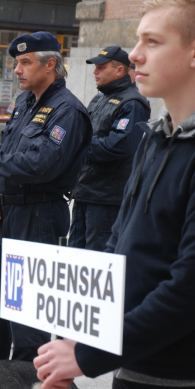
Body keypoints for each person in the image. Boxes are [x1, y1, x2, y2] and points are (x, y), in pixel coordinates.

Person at [34, 0, 195, 389]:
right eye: (137, 41)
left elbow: (194, 287)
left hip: (194, 383)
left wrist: (88, 353)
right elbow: (118, 249)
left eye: (152, 41)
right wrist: (78, 337)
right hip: (133, 371)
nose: (134, 56)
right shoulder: (157, 137)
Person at [0, 31, 91, 362]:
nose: (17, 70)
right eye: (16, 63)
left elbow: (43, 165)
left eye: (25, 63)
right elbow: (8, 150)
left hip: (38, 216)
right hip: (5, 214)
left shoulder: (67, 110)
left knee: (26, 316)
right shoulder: (25, 102)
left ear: (50, 64)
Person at [69, 46, 150, 251]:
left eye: (101, 67)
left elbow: (119, 146)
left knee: (97, 261)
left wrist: (77, 147)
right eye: (95, 68)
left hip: (106, 198)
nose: (95, 72)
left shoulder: (132, 102)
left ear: (119, 71)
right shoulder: (99, 98)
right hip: (84, 193)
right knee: (76, 260)